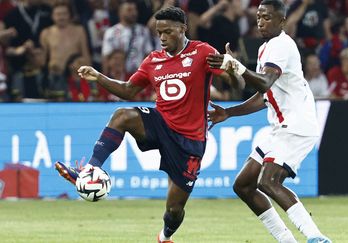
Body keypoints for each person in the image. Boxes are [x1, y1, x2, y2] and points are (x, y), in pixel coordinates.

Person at [54, 7, 241, 243]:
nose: (162, 37)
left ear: (183, 29)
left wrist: (233, 68)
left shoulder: (202, 51)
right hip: (160, 123)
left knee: (174, 211)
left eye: (168, 32)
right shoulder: (153, 60)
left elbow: (237, 86)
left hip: (189, 140)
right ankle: (90, 169)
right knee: (122, 115)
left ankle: (164, 237)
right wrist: (99, 77)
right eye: (158, 32)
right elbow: (128, 90)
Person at [207, 0, 331, 242]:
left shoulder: (282, 45)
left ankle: (316, 237)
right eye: (259, 17)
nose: (261, 22)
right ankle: (286, 240)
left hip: (297, 124)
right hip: (281, 126)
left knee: (269, 181)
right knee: (243, 185)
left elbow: (265, 82)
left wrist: (236, 65)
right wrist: (229, 113)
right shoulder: (267, 48)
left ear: (282, 21)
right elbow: (264, 96)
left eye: (267, 17)